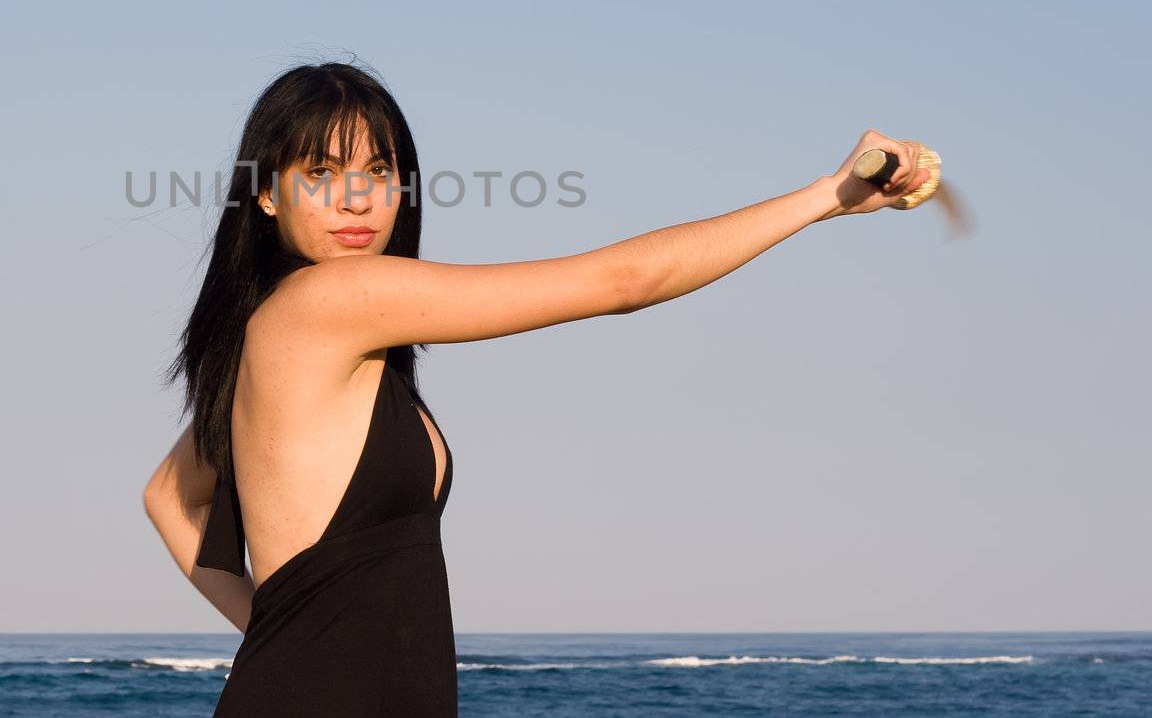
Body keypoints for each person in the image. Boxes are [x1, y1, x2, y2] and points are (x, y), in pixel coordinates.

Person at [142, 60, 931, 716]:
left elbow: (169, 497)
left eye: (378, 170)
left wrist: (281, 634)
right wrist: (827, 196)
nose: (357, 197)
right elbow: (625, 281)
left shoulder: (273, 338)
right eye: (321, 172)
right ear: (268, 194)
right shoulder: (330, 303)